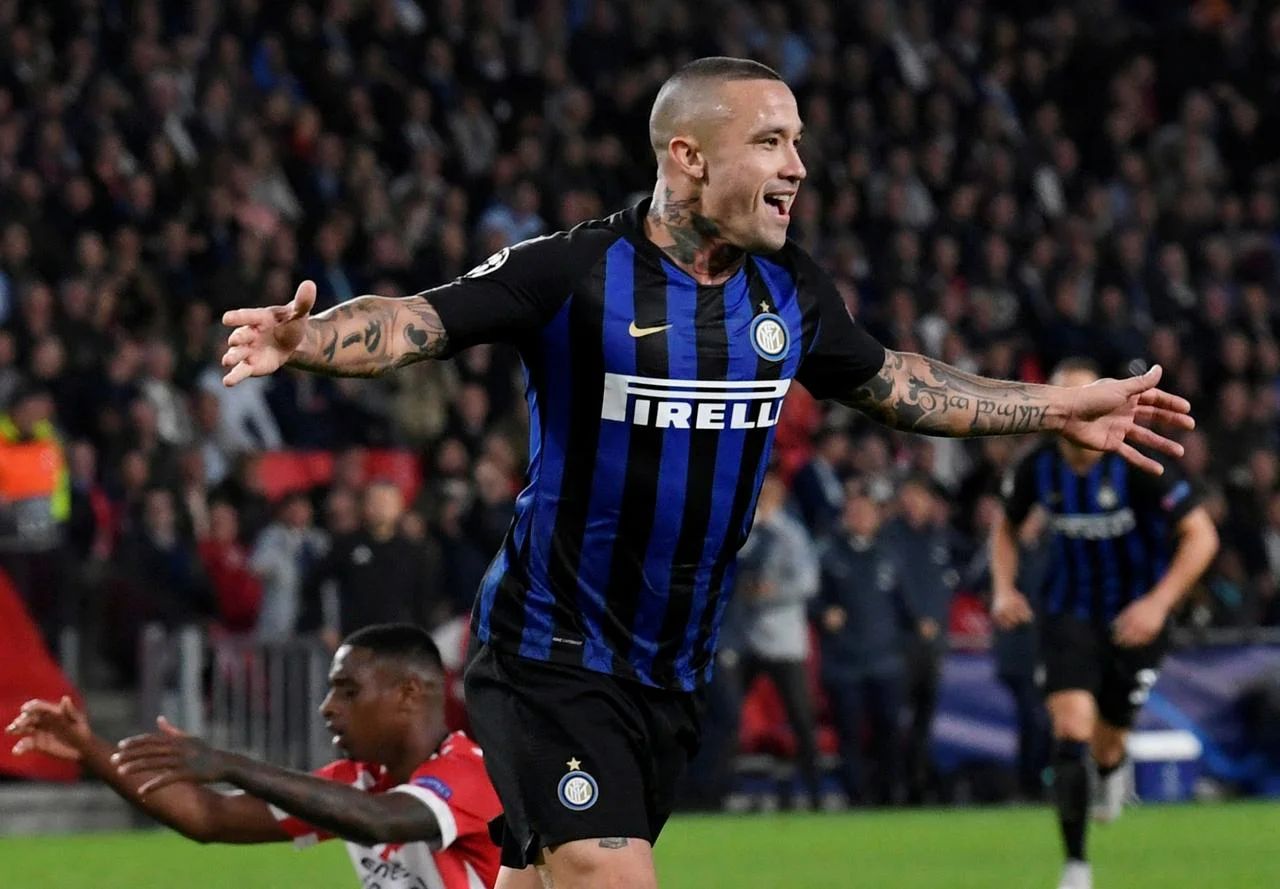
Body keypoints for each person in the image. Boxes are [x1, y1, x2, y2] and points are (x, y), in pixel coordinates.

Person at [214, 57, 1193, 889]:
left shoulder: (789, 291)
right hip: (552, 651)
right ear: (687, 157)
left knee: (543, 877)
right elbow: (416, 322)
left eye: (796, 142)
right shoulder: (574, 271)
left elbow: (898, 383)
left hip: (672, 669)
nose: (796, 166)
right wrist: (307, 340)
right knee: (611, 873)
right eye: (770, 141)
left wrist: (1060, 405)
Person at [8, 624, 503, 889]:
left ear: (409, 694)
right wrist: (89, 749)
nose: (327, 707)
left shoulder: (473, 772)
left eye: (348, 691)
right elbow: (209, 815)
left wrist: (228, 763)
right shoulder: (359, 780)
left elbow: (379, 821)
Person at [991, 358, 1219, 889]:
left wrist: (1158, 604)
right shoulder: (1037, 467)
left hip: (1134, 617)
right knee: (1070, 729)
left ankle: (1113, 768)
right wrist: (1003, 587)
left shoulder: (1136, 459)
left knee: (1108, 740)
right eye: (1064, 399)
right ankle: (1076, 865)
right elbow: (1005, 527)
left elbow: (1202, 536)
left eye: (1083, 397)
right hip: (1068, 613)